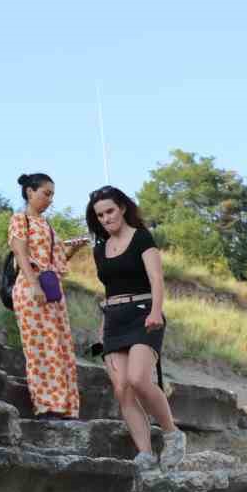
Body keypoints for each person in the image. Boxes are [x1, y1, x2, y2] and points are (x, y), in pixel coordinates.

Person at [87, 185, 186, 468]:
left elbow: (156, 279)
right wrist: (103, 326)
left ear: (123, 208)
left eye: (110, 211)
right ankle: (144, 453)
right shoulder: (99, 249)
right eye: (100, 215)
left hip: (144, 313)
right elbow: (109, 290)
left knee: (139, 378)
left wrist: (156, 311)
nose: (106, 218)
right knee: (122, 389)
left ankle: (172, 434)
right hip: (114, 318)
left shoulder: (142, 238)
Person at [7, 173, 89, 421]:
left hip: (52, 289)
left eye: (52, 195)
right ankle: (46, 405)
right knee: (39, 347)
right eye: (46, 193)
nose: (50, 199)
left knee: (59, 346)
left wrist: (73, 247)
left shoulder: (47, 225)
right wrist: (34, 286)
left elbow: (56, 260)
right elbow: (20, 254)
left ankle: (64, 406)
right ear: (30, 192)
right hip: (32, 287)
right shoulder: (20, 219)